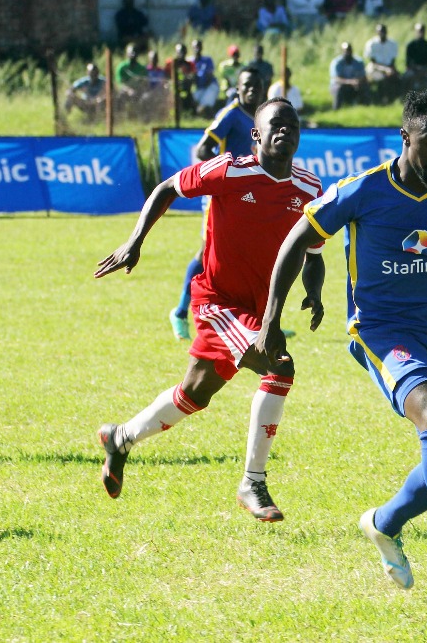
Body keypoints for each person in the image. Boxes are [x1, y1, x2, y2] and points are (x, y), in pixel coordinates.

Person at [252, 87, 427, 598]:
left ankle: (382, 522)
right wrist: (271, 320)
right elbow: (296, 239)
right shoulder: (362, 191)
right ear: (405, 138)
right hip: (381, 330)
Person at [96, 97, 325, 523]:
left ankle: (120, 437)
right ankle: (252, 482)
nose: (285, 131)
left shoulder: (309, 189)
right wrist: (135, 241)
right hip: (217, 302)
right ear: (255, 135)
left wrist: (314, 292)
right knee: (280, 368)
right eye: (275, 125)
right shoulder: (231, 170)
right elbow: (168, 187)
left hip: (256, 309)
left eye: (292, 125)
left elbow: (312, 251)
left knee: (194, 394)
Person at [170, 68, 269, 342]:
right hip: (223, 196)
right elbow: (203, 148)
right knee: (205, 255)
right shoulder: (231, 114)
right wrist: (223, 176)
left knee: (253, 253)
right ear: (237, 88)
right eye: (246, 85)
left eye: (256, 85)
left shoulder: (263, 117)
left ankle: (261, 320)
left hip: (251, 196)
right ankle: (180, 311)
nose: (252, 90)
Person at [363, 23, 400, 104]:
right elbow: (373, 62)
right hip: (375, 68)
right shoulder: (371, 44)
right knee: (380, 78)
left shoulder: (392, 43)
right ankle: (380, 99)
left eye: (383, 31)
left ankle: (395, 98)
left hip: (389, 67)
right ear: (376, 32)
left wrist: (391, 70)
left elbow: (393, 60)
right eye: (380, 31)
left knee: (398, 78)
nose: (382, 33)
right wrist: (385, 70)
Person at [329, 41, 368, 109]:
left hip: (354, 86)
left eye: (349, 50)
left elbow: (363, 76)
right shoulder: (337, 63)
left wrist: (359, 81)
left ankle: (366, 105)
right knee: (339, 88)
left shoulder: (358, 62)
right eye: (346, 51)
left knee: (365, 85)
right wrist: (350, 82)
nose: (348, 53)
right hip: (341, 86)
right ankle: (336, 108)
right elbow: (336, 79)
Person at [164, 42, 196, 115]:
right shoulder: (170, 63)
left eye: (183, 51)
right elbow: (165, 76)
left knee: (189, 96)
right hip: (172, 87)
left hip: (185, 88)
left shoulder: (189, 64)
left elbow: (192, 76)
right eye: (179, 51)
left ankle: (191, 114)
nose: (181, 53)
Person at [189, 39, 218, 118]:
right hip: (199, 88)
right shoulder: (189, 61)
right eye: (195, 47)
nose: (197, 48)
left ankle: (208, 115)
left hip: (209, 86)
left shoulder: (207, 60)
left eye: (198, 46)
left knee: (205, 105)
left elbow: (209, 76)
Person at [403, 22, 427, 91]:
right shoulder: (410, 45)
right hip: (412, 69)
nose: (421, 32)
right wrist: (416, 69)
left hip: (424, 68)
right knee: (407, 76)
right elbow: (408, 62)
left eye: (422, 30)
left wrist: (423, 69)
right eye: (419, 31)